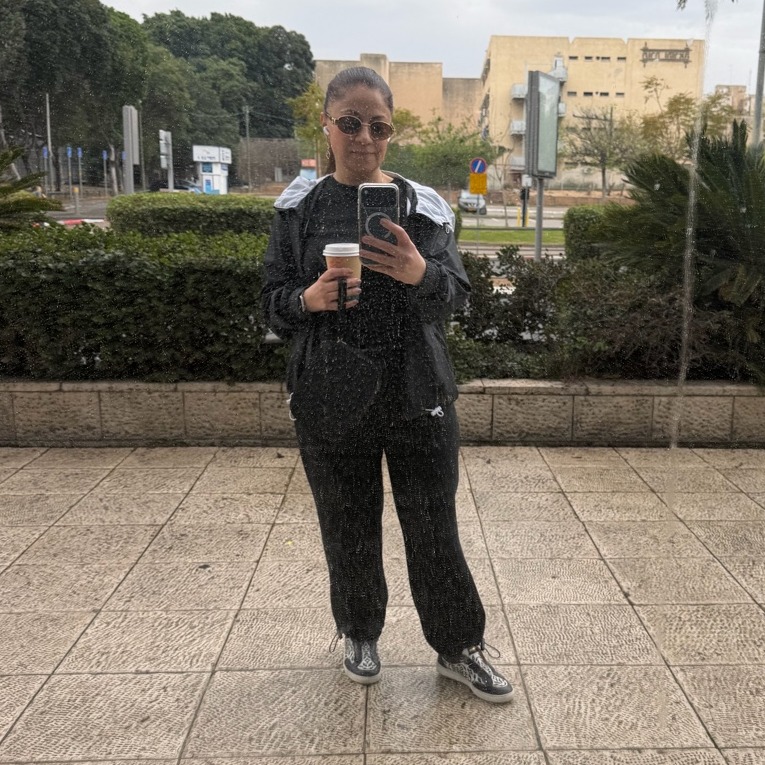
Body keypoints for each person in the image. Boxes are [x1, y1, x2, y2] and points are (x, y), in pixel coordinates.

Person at [261, 66, 513, 704]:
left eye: (378, 127)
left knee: (433, 525)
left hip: (415, 389)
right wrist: (307, 299)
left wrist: (420, 271)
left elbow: (455, 295)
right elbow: (270, 302)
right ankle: (359, 632)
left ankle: (458, 646)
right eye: (350, 123)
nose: (364, 138)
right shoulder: (298, 210)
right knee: (346, 521)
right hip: (331, 390)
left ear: (391, 132)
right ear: (326, 126)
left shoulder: (421, 207)